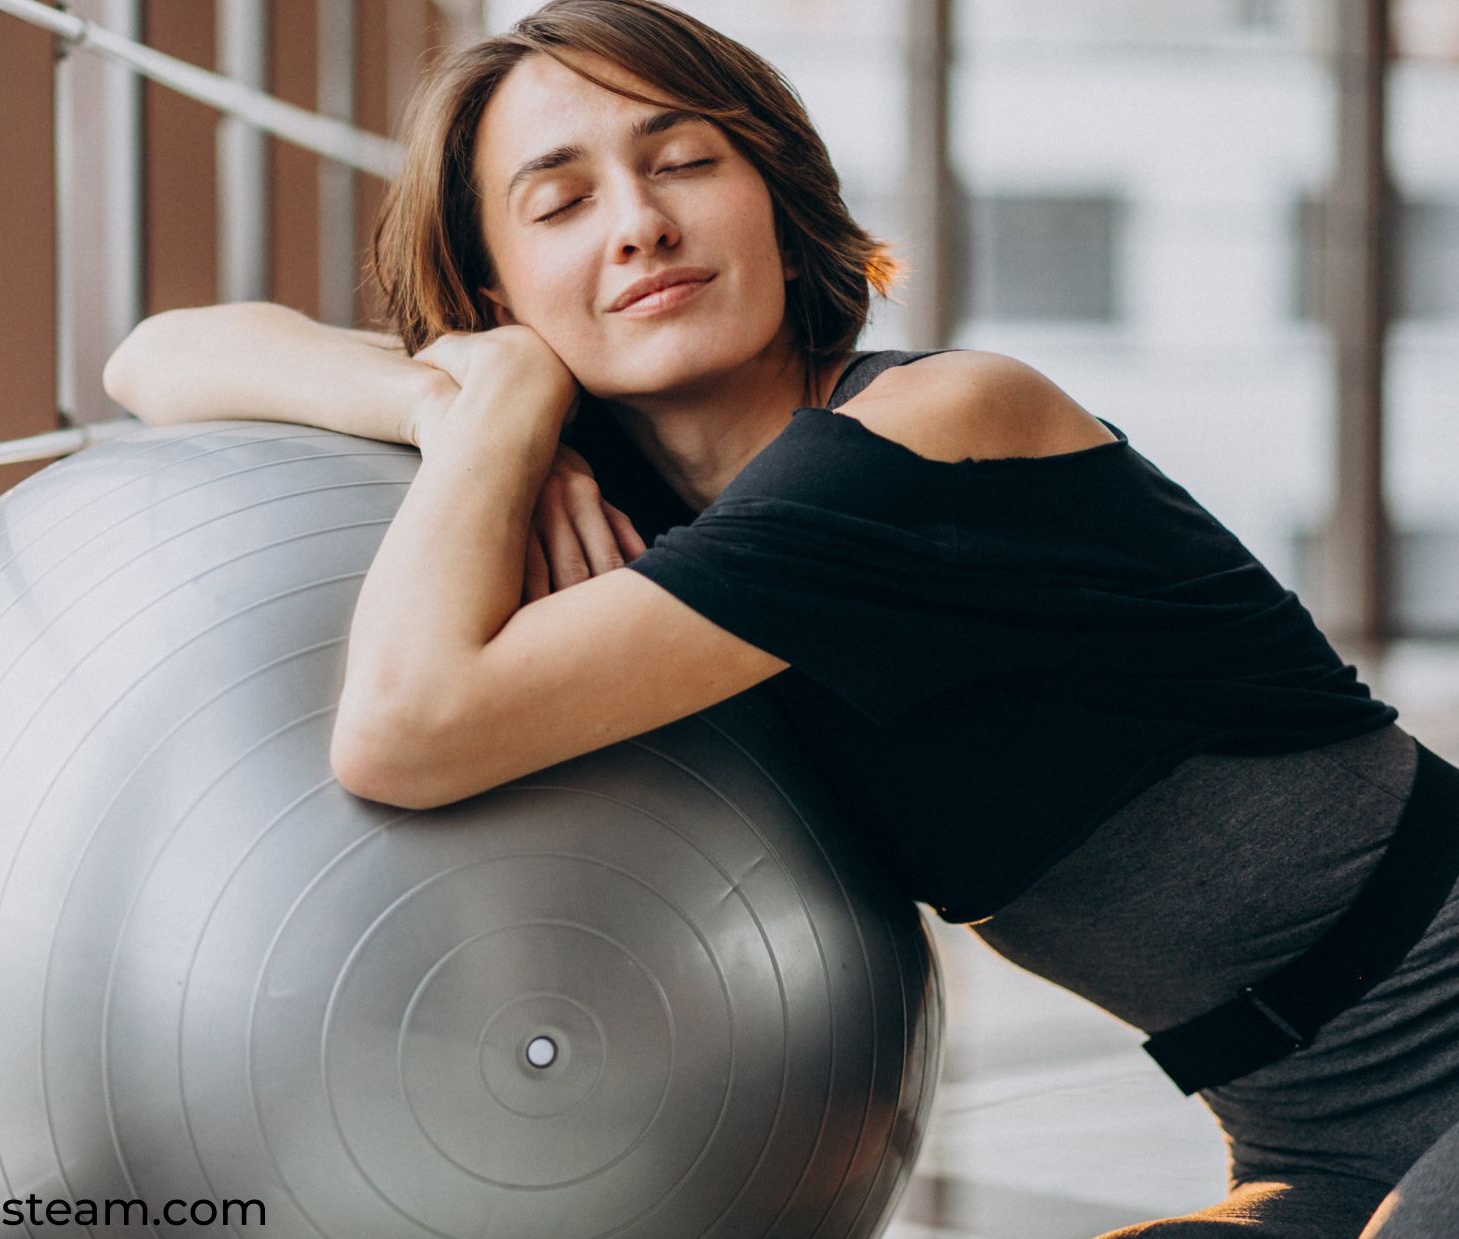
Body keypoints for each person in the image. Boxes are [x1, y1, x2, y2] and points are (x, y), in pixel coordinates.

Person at [102, 2, 1459, 1234]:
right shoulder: (642, 509)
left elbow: (403, 732)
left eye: (684, 162)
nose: (637, 221)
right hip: (1311, 1138)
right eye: (559, 200)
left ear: (775, 198)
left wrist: (498, 396)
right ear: (495, 284)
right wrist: (462, 390)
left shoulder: (935, 430)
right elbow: (155, 354)